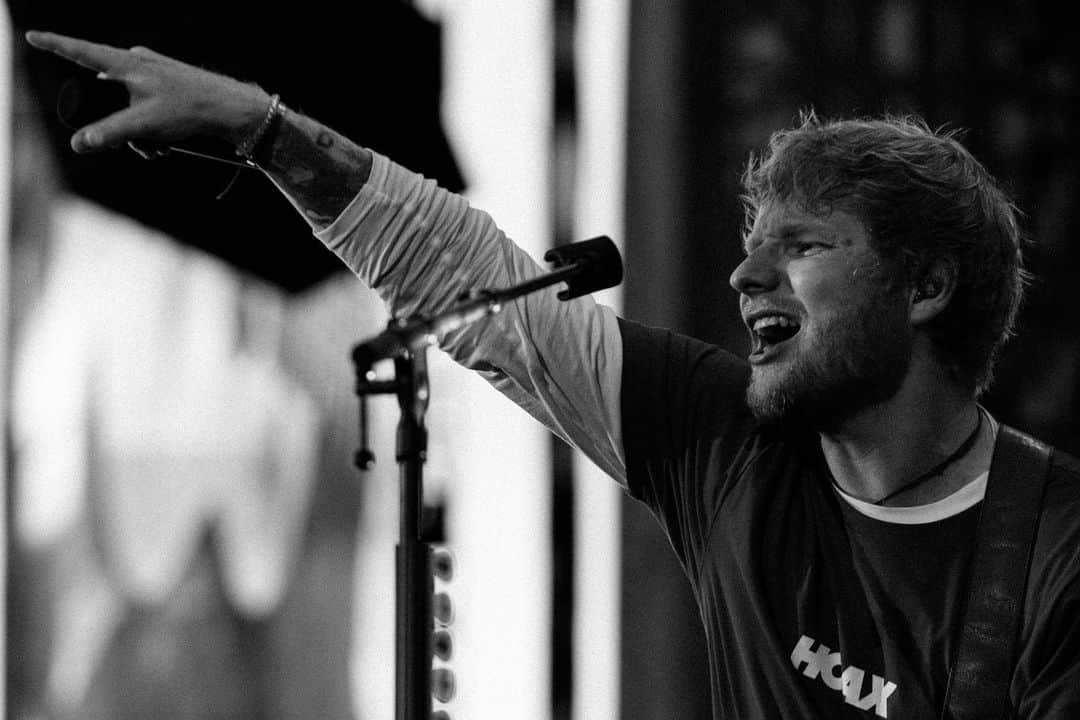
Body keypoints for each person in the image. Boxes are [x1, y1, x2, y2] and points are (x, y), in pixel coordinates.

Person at [25, 30, 1080, 719]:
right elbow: (475, 284)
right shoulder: (727, 444)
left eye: (804, 246)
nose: (744, 272)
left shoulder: (1054, 550)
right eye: (755, 242)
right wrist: (260, 131)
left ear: (927, 286)